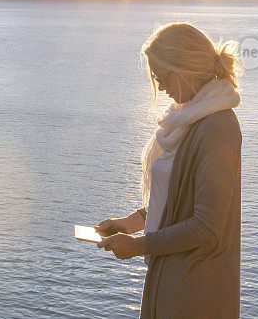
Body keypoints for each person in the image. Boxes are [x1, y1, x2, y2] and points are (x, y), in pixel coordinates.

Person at [95, 22, 243, 318]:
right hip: (173, 278)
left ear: (184, 67)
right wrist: (131, 222)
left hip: (195, 292)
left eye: (161, 76)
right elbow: (179, 201)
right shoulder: (188, 119)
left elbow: (206, 226)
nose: (159, 86)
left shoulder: (217, 127)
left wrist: (139, 246)